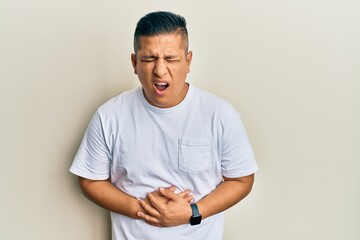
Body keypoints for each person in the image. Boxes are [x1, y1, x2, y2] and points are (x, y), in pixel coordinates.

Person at [70, 11, 258, 240]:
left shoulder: (220, 115)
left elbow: (241, 179)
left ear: (188, 61)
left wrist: (192, 212)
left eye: (170, 59)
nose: (159, 70)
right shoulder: (109, 115)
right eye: (149, 59)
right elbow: (90, 179)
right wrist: (140, 208)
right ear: (134, 63)